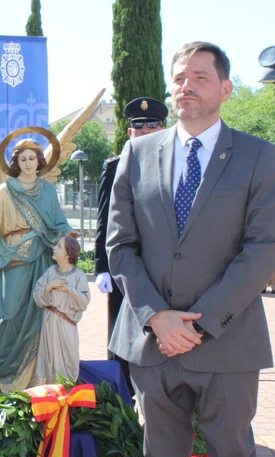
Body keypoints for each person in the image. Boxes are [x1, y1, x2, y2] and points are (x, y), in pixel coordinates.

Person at [107, 42, 275, 457]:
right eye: (180, 76)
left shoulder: (257, 155)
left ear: (226, 89)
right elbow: (120, 245)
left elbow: (262, 250)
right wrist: (155, 316)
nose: (187, 85)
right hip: (152, 344)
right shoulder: (137, 154)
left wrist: (199, 325)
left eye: (200, 76)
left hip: (226, 346)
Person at [0, 138, 74, 408]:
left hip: (41, 259)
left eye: (33, 159)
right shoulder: (5, 190)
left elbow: (59, 222)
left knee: (40, 316)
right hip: (14, 260)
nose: (29, 164)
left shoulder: (47, 190)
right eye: (24, 159)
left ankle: (33, 378)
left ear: (40, 161)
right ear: (16, 163)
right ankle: (2, 376)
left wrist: (67, 235)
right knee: (9, 318)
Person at [95, 96, 168, 384]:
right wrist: (102, 266)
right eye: (139, 125)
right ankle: (123, 404)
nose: (145, 130)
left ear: (162, 128)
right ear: (129, 132)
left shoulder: (174, 165)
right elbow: (105, 218)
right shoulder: (115, 166)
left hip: (162, 267)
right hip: (125, 266)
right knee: (122, 335)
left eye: (152, 124)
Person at [32, 235, 91, 384]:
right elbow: (37, 294)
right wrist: (50, 286)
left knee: (67, 359)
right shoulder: (51, 271)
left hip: (66, 325)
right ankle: (50, 394)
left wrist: (68, 290)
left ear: (67, 253)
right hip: (49, 323)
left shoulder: (79, 275)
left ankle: (66, 392)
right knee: (49, 358)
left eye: (58, 246)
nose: (54, 248)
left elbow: (84, 301)